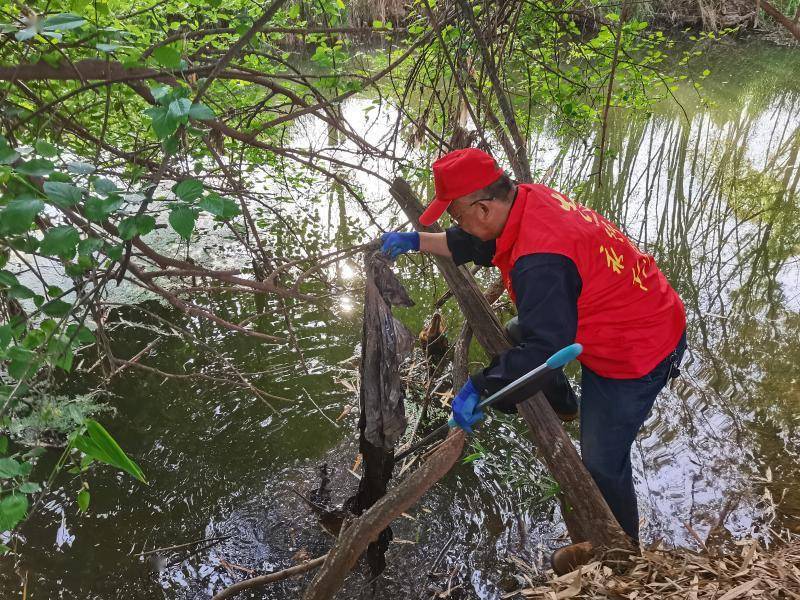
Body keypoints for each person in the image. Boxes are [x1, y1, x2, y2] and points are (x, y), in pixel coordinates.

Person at [381, 148, 686, 568]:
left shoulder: (541, 260)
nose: (456, 223)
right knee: (516, 332)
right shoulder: (527, 200)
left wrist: (480, 387)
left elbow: (543, 350)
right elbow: (479, 242)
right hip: (629, 307)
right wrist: (417, 241)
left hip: (638, 349)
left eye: (456, 214)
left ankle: (621, 551)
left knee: (601, 459)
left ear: (484, 207)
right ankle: (566, 405)